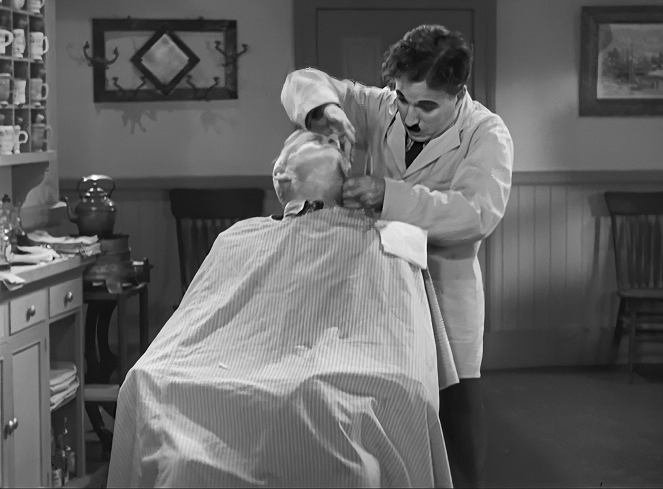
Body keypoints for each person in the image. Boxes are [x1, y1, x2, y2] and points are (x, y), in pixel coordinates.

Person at [107, 129, 456, 488]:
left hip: (265, 378)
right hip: (290, 382)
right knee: (149, 375)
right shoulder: (241, 239)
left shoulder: (383, 239)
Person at [281, 24, 514, 488]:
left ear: (458, 92)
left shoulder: (486, 133)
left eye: (426, 106)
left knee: (456, 427)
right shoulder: (380, 107)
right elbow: (301, 79)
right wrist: (326, 109)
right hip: (382, 293)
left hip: (445, 295)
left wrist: (389, 193)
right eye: (402, 99)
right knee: (387, 423)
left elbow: (474, 215)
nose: (408, 116)